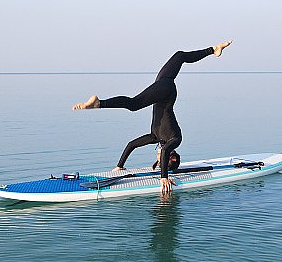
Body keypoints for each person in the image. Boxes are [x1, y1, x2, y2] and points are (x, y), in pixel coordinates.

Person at [73, 40, 232, 195]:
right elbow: (165, 151)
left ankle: (214, 49)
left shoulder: (154, 136)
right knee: (134, 104)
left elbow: (131, 145)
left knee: (180, 55)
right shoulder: (175, 139)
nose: (158, 157)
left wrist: (119, 166)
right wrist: (164, 177)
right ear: (171, 158)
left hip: (162, 84)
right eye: (162, 160)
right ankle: (98, 103)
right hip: (167, 92)